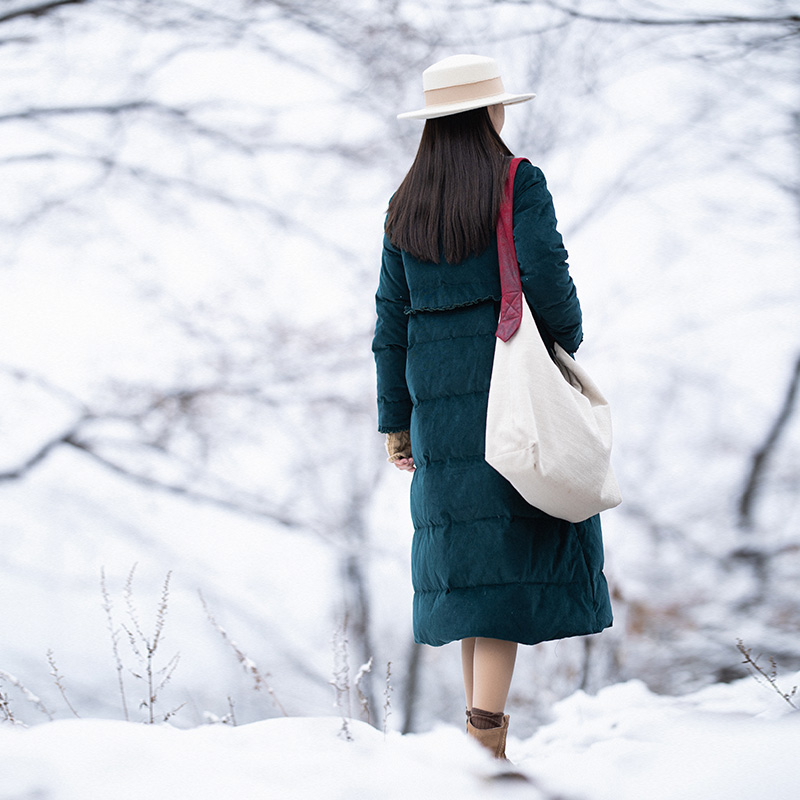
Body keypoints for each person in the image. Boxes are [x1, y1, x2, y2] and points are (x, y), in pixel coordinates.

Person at [372, 54, 612, 760]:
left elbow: (390, 321)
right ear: (490, 113)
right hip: (509, 393)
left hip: (436, 409)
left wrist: (395, 422)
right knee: (500, 564)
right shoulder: (517, 181)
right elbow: (548, 280)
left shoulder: (403, 204)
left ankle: (481, 731)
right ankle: (486, 740)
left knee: (473, 567)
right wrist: (558, 348)